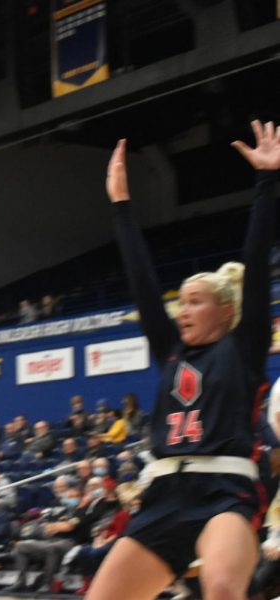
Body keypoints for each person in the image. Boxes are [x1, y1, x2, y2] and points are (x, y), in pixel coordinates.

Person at [87, 124, 280, 600]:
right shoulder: (170, 350)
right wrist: (121, 207)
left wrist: (268, 181)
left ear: (226, 310)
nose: (182, 310)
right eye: (181, 302)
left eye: (194, 301)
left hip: (226, 487)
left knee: (220, 588)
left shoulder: (243, 346)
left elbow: (256, 262)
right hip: (162, 495)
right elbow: (142, 281)